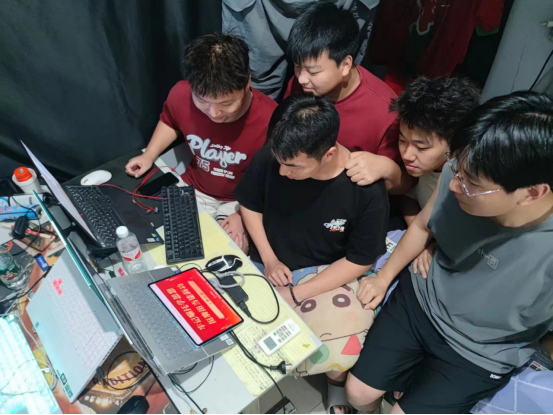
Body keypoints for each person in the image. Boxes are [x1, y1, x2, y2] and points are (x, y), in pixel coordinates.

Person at [347, 91, 553, 414]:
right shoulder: (459, 172)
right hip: (423, 299)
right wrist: (383, 277)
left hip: (482, 351)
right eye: (456, 168)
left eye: (471, 183)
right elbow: (422, 225)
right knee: (357, 393)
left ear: (532, 193)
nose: (454, 184)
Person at [234, 95, 389, 413]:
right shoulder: (277, 155)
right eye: (279, 162)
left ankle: (336, 383)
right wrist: (270, 258)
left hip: (326, 273)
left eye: (293, 166)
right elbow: (250, 204)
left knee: (339, 348)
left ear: (328, 154)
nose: (282, 172)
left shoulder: (365, 190)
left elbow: (360, 260)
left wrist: (297, 293)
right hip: (270, 260)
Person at [125, 33, 277, 251]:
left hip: (238, 201)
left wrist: (242, 214)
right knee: (158, 242)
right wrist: (149, 155)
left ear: (247, 83)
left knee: (232, 252)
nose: (214, 113)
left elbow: (273, 181)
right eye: (202, 101)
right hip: (193, 189)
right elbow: (169, 120)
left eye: (226, 103)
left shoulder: (272, 119)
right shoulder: (180, 95)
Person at [284, 2, 413, 194]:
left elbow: (407, 183)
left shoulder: (385, 111)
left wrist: (386, 169)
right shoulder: (300, 86)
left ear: (345, 65)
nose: (302, 78)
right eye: (297, 66)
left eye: (313, 71)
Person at [391, 77, 480, 277]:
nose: (407, 154)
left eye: (421, 147)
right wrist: (420, 235)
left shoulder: (463, 183)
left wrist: (433, 244)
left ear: (454, 143)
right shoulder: (422, 167)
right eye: (402, 140)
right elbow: (409, 197)